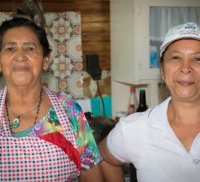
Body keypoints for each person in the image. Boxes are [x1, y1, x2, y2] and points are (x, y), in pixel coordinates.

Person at [0, 17, 104, 181]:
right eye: (10, 48)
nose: (20, 56)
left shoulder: (70, 112)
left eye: (30, 48)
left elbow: (93, 178)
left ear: (45, 61)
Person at [99, 22, 200, 182]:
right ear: (162, 69)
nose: (185, 67)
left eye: (197, 58)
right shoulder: (133, 128)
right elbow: (104, 158)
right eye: (176, 58)